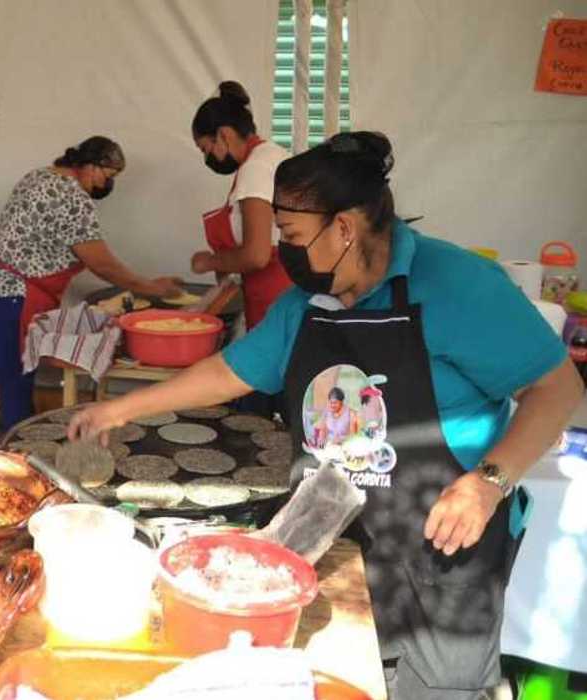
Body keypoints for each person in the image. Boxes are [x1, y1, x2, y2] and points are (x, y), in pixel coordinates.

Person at [69, 132, 584, 698]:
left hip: (443, 548)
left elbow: (556, 389)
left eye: (291, 236)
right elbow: (231, 372)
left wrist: (487, 484)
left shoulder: (459, 286)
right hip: (332, 541)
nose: (282, 252)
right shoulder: (307, 303)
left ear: (344, 227)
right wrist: (119, 409)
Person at [0, 136, 182, 429]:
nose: (107, 186)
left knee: (12, 379)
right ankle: (21, 458)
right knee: (16, 383)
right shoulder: (72, 197)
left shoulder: (39, 175)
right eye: (108, 177)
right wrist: (152, 288)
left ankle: (24, 444)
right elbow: (102, 264)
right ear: (92, 167)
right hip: (13, 295)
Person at [189, 81, 292, 330]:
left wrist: (209, 262)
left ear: (223, 134)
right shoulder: (272, 155)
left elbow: (257, 255)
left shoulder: (255, 168)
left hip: (276, 299)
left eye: (206, 148)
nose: (207, 158)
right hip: (285, 297)